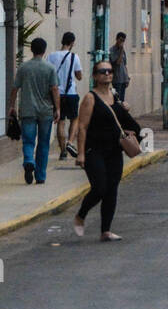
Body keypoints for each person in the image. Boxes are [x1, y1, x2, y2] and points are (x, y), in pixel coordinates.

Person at [70, 59, 141, 240]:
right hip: (94, 150)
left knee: (112, 189)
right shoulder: (90, 98)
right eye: (102, 71)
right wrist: (80, 153)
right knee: (100, 187)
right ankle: (81, 215)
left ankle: (105, 231)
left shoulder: (115, 95)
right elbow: (83, 127)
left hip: (114, 150)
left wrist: (126, 108)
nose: (107, 74)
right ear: (95, 76)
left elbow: (122, 121)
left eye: (109, 71)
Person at [10, 38, 60, 185]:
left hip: (28, 109)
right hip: (45, 111)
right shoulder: (50, 68)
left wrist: (11, 106)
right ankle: (40, 176)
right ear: (44, 51)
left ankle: (28, 160)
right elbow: (55, 89)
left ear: (31, 50)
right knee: (44, 143)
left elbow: (15, 88)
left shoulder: (24, 68)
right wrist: (58, 108)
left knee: (28, 140)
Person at [47, 32, 83, 162]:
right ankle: (70, 142)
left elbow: (48, 73)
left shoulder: (51, 56)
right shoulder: (74, 57)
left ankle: (62, 151)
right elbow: (79, 76)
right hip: (71, 93)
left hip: (57, 93)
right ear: (72, 43)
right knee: (74, 118)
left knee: (60, 121)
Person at [110, 32, 131, 103]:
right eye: (121, 40)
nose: (122, 42)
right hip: (117, 79)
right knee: (117, 100)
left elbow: (125, 65)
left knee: (122, 100)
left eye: (123, 41)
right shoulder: (112, 50)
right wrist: (121, 50)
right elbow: (118, 63)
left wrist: (127, 78)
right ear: (117, 39)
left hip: (123, 79)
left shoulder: (123, 51)